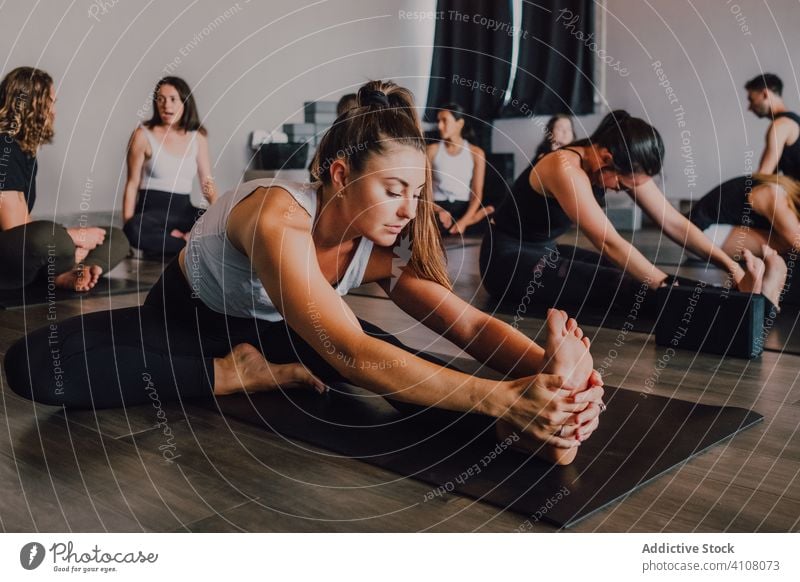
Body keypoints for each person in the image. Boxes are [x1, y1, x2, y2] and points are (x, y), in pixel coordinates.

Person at [6, 80, 605, 466]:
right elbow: (347, 352)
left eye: (415, 193)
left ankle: (536, 427)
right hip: (186, 325)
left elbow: (469, 328)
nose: (408, 209)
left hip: (289, 336)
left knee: (396, 359)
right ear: (340, 175)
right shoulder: (276, 215)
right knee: (33, 365)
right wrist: (498, 395)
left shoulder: (380, 244)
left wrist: (552, 378)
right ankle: (227, 373)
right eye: (394, 189)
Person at [481, 110, 787, 318]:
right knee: (622, 286)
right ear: (606, 158)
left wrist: (729, 267)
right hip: (507, 263)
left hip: (544, 251)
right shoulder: (565, 168)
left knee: (632, 275)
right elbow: (609, 242)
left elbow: (674, 222)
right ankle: (744, 309)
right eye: (623, 184)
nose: (618, 190)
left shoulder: (615, 164)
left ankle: (744, 301)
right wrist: (665, 287)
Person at [0, 66, 129, 292]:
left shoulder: (25, 151)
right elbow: (16, 229)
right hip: (7, 257)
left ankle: (74, 271)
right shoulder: (4, 148)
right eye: (51, 102)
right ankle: (62, 267)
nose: (54, 111)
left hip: (26, 249)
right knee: (48, 238)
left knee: (115, 237)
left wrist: (71, 240)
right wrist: (70, 239)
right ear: (33, 105)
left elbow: (25, 220)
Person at [122, 77, 216, 259]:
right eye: (161, 99)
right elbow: (132, 184)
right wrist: (127, 227)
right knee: (134, 230)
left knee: (219, 228)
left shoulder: (198, 138)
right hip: (151, 215)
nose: (166, 105)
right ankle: (188, 244)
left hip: (184, 211)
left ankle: (173, 243)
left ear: (185, 102)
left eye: (173, 99)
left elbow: (207, 181)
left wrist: (218, 214)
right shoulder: (142, 135)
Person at [687, 173, 800, 258]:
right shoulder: (775, 196)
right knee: (787, 244)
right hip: (697, 236)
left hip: (712, 230)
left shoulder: (787, 191)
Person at [428, 103, 494, 236]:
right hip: (437, 208)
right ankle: (474, 219)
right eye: (438, 121)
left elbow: (477, 194)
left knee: (493, 222)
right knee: (432, 224)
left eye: (445, 120)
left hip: (464, 208)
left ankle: (468, 220)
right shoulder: (431, 150)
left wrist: (464, 221)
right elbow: (425, 190)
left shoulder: (476, 153)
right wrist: (438, 210)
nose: (440, 125)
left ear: (459, 123)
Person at [745, 73, 800, 180]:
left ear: (765, 94)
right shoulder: (793, 121)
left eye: (751, 100)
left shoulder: (780, 126)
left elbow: (764, 175)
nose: (749, 108)